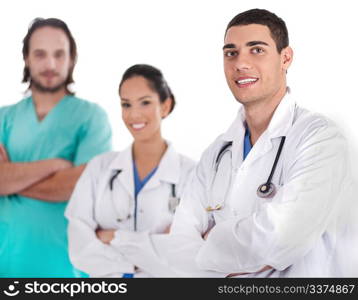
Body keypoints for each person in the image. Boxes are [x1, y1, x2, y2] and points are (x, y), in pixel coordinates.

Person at [106, 9, 354, 277]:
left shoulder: (320, 139)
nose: (240, 64)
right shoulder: (216, 154)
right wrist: (240, 248)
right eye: (231, 53)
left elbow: (281, 236)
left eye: (256, 50)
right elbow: (179, 245)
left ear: (285, 58)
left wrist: (209, 239)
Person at [0, 18, 112, 277]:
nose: (50, 64)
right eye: (40, 54)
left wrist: (11, 178)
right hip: (8, 265)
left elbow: (81, 186)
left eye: (59, 54)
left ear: (72, 58)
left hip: (67, 270)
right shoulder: (4, 118)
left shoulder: (91, 117)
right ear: (26, 58)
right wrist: (55, 166)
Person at [65, 64, 196, 277]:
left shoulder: (191, 174)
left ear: (165, 106)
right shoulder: (99, 168)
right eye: (126, 105)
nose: (134, 114)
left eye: (145, 102)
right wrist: (148, 254)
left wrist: (116, 238)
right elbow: (79, 248)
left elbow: (188, 258)